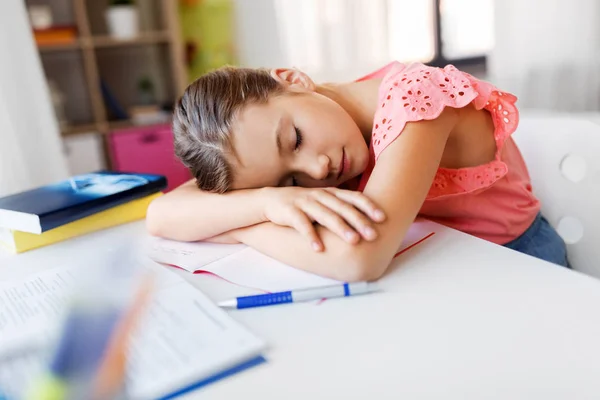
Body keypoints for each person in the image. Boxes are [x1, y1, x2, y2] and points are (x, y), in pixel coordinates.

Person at [146, 61, 569, 281]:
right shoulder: (300, 133)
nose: (317, 169)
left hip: (519, 263)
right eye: (291, 180)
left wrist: (241, 224)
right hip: (439, 261)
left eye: (294, 139)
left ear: (293, 79)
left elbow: (358, 259)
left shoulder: (417, 101)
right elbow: (162, 215)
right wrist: (268, 200)